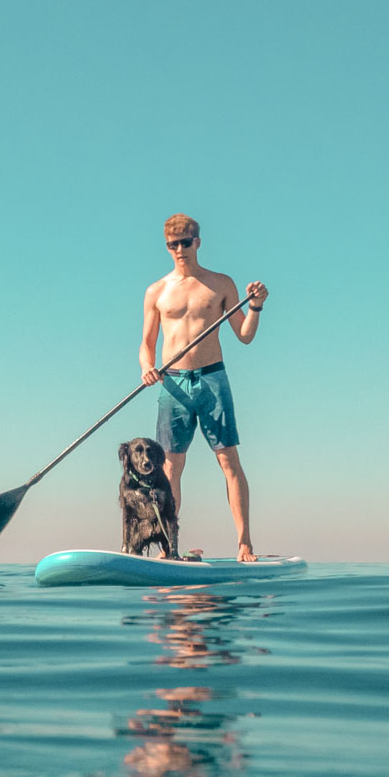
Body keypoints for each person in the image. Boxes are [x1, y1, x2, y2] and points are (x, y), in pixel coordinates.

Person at [138, 214, 268, 562]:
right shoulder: (157, 291)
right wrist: (146, 368)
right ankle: (170, 547)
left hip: (212, 379)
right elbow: (146, 344)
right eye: (172, 245)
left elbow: (245, 335)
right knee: (170, 467)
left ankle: (244, 544)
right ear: (166, 248)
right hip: (173, 383)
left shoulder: (220, 283)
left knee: (228, 460)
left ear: (197, 242)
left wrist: (255, 307)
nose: (179, 250)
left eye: (185, 242)